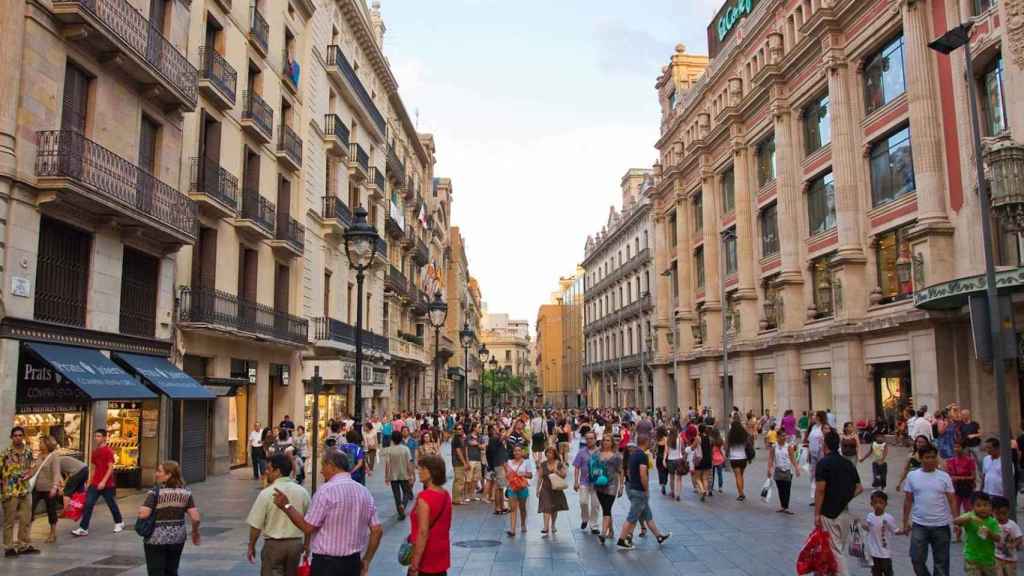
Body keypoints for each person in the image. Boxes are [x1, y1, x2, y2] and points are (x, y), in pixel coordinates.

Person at [273, 450, 384, 576]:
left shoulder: (326, 491)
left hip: (327, 565)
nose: (321, 471)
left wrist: (286, 506)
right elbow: (377, 530)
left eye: (323, 466)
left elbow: (307, 527)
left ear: (331, 466)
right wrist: (366, 560)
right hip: (353, 563)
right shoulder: (364, 492)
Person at [246, 453, 310, 576]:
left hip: (273, 546)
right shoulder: (303, 492)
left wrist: (251, 545)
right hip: (295, 546)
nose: (266, 472)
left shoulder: (266, 493)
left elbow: (256, 525)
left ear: (278, 471)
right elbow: (309, 523)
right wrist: (307, 545)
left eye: (269, 469)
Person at [898, 442, 956, 576]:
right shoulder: (912, 476)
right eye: (927, 457)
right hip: (920, 525)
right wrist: (905, 522)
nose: (930, 460)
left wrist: (955, 520)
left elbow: (952, 500)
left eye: (933, 457)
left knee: (941, 563)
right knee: (916, 559)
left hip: (941, 525)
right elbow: (908, 500)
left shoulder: (944, 477)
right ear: (920, 458)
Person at [136, 461, 201, 576]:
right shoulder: (186, 492)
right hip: (177, 538)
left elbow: (143, 514)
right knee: (172, 570)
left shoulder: (155, 492)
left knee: (155, 571)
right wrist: (195, 532)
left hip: (156, 538)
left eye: (159, 471)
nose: (156, 474)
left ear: (169, 474)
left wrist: (142, 508)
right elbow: (195, 518)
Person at [814, 430, 863, 576]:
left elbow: (820, 490)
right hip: (844, 512)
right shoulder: (847, 464)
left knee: (835, 550)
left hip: (828, 512)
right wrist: (844, 498)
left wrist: (817, 514)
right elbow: (859, 488)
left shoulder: (823, 463)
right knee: (836, 547)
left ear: (825, 445)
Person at [616, 434, 670, 549]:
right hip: (639, 491)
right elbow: (643, 474)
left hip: (634, 488)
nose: (651, 443)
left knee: (648, 515)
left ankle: (658, 536)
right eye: (650, 440)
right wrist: (646, 490)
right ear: (645, 441)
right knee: (632, 517)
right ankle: (622, 539)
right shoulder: (642, 456)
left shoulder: (634, 454)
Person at [72, 429, 124, 537]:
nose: (97, 438)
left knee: (111, 504)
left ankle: (119, 522)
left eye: (99, 436)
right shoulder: (95, 452)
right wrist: (89, 481)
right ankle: (83, 528)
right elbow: (94, 467)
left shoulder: (108, 451)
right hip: (95, 483)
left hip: (107, 484)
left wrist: (103, 482)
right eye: (96, 436)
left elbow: (110, 468)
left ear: (105, 437)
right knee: (88, 504)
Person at [406, 454, 452, 576]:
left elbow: (423, 532)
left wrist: (415, 564)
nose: (418, 471)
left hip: (426, 554)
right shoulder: (445, 494)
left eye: (422, 469)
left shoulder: (424, 497)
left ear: (431, 472)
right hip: (441, 551)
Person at [2, 426, 38, 556]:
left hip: (24, 489)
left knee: (26, 519)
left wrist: (30, 473)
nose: (18, 437)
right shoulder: (5, 453)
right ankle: (9, 547)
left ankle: (24, 545)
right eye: (15, 435)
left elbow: (33, 466)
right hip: (10, 491)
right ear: (11, 437)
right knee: (9, 520)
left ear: (23, 436)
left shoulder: (28, 451)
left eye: (20, 435)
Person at [954, 492, 1002, 576]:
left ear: (990, 507)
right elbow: (956, 521)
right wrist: (968, 518)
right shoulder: (970, 516)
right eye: (978, 505)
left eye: (986, 505)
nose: (982, 508)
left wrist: (989, 533)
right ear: (972, 507)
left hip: (988, 558)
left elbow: (998, 538)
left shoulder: (992, 521)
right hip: (972, 557)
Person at [30, 436, 63, 544]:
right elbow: (35, 470)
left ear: (47, 444)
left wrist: (54, 487)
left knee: (51, 510)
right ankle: (25, 534)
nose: (39, 445)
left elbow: (56, 473)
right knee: (29, 509)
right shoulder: (39, 455)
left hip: (49, 488)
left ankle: (52, 534)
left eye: (41, 443)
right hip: (37, 488)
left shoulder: (54, 456)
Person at [591, 434, 623, 544]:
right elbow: (593, 467)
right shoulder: (597, 453)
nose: (605, 442)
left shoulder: (617, 456)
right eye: (604, 440)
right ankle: (611, 530)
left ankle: (603, 533)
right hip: (600, 484)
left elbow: (620, 471)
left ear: (612, 442)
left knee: (607, 508)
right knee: (606, 508)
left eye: (608, 440)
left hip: (612, 485)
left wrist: (621, 487)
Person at [947, 439, 978, 542]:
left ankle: (970, 534)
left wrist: (960, 478)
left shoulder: (970, 461)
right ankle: (958, 536)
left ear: (964, 448)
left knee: (968, 512)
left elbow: (973, 476)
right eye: (955, 446)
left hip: (967, 488)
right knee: (955, 513)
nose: (956, 449)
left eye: (958, 446)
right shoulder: (950, 461)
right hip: (955, 489)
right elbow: (948, 475)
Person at [864, 491, 897, 576]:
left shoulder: (888, 518)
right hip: (873, 553)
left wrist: (905, 531)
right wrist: (859, 525)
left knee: (888, 573)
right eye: (875, 503)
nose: (878, 505)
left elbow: (895, 530)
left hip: (885, 554)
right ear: (871, 504)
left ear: (885, 504)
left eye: (881, 502)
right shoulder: (870, 516)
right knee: (875, 573)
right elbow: (869, 528)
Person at [537, 446, 568, 536]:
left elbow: (564, 475)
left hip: (556, 488)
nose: (548, 454)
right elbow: (540, 478)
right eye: (547, 452)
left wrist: (556, 471)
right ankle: (545, 527)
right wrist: (537, 489)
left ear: (554, 454)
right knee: (546, 507)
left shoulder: (559, 463)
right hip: (545, 488)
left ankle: (553, 524)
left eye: (551, 452)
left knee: (554, 508)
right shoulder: (543, 464)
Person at [767, 427, 798, 514]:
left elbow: (792, 458)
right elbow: (771, 458)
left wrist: (796, 468)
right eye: (782, 436)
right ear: (778, 437)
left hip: (787, 470)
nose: (784, 437)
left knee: (787, 489)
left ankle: (786, 507)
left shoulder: (789, 447)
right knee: (780, 489)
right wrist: (769, 469)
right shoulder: (774, 447)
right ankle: (782, 506)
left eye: (785, 436)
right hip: (778, 470)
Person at [382, 430, 413, 519]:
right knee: (406, 492)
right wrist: (410, 475)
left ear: (392, 439)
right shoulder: (405, 449)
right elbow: (409, 463)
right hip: (404, 474)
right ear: (401, 438)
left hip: (393, 475)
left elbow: (387, 464)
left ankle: (401, 514)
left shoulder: (389, 450)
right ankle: (403, 505)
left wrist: (386, 477)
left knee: (396, 495)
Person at [573, 431, 600, 533]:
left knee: (595, 504)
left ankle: (594, 525)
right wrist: (576, 481)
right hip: (584, 482)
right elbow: (576, 467)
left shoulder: (600, 452)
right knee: (583, 502)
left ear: (595, 439)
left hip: (597, 483)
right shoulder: (582, 452)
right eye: (587, 438)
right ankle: (585, 519)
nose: (589, 440)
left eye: (591, 438)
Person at [504, 444, 533, 537]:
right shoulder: (509, 462)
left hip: (522, 488)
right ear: (513, 452)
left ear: (522, 452)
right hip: (512, 488)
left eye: (519, 450)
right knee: (513, 509)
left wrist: (523, 474)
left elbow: (530, 475)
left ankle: (523, 523)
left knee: (522, 508)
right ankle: (512, 530)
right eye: (515, 451)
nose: (517, 452)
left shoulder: (526, 462)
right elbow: (507, 475)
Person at [993, 496, 1022, 576]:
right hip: (997, 557)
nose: (1001, 516)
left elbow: (1019, 537)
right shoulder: (993, 523)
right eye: (997, 514)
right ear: (993, 512)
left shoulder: (1012, 525)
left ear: (1008, 511)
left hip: (1010, 559)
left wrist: (1014, 545)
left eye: (1004, 513)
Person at [726, 419, 750, 501]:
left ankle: (740, 494)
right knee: (741, 475)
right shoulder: (744, 434)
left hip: (734, 458)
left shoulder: (730, 435)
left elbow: (727, 446)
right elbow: (748, 444)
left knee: (737, 476)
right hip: (743, 457)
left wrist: (727, 454)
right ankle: (741, 491)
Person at [665, 426, 685, 501]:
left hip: (670, 459)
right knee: (679, 478)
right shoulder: (680, 439)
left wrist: (664, 460)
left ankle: (673, 491)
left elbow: (667, 451)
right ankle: (678, 494)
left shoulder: (668, 440)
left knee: (672, 477)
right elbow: (682, 449)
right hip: (679, 459)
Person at [465, 424, 483, 502]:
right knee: (469, 479)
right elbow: (465, 449)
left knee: (475, 479)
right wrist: (467, 460)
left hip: (478, 459)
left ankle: (472, 495)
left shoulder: (480, 437)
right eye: (479, 427)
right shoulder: (468, 437)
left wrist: (477, 444)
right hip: (471, 459)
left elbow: (483, 446)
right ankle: (467, 495)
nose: (480, 428)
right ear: (474, 428)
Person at [451, 425, 468, 505]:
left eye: (461, 429)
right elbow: (459, 452)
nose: (460, 430)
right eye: (458, 429)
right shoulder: (456, 439)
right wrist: (465, 463)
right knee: (460, 481)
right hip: (458, 462)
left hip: (457, 462)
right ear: (455, 430)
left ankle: (455, 498)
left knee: (457, 481)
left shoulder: (460, 438)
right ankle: (457, 499)